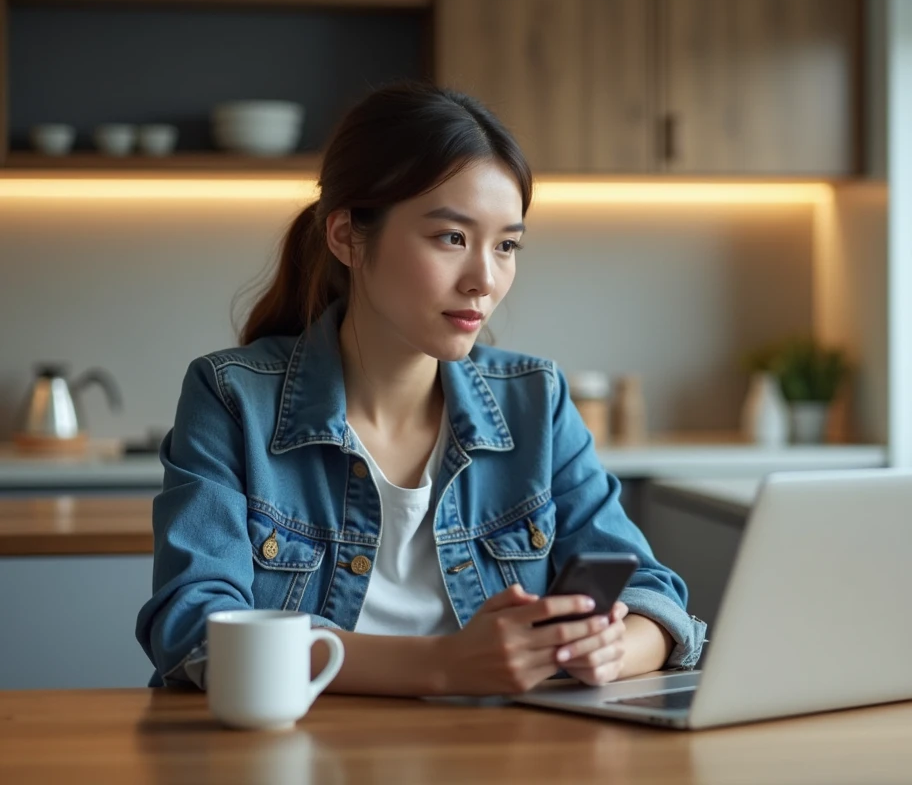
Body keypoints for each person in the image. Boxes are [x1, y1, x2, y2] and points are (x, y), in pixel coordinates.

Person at [134, 81, 706, 697]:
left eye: (507, 245)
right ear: (347, 236)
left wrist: (610, 650)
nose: (484, 280)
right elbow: (195, 626)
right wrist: (443, 665)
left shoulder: (534, 399)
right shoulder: (232, 396)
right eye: (451, 238)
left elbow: (651, 593)